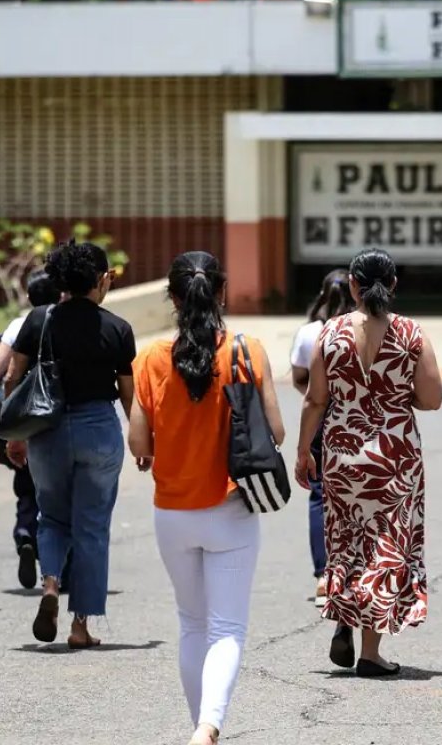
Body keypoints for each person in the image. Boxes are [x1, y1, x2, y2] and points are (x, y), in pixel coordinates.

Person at [129, 251, 284, 745]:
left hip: (173, 512)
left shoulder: (151, 359)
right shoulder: (247, 351)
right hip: (232, 510)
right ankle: (208, 728)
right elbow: (275, 431)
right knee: (226, 630)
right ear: (221, 292)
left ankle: (202, 726)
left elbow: (138, 444)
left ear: (172, 299)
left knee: (192, 624)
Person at [294, 248, 442, 677]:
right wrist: (400, 398)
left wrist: (305, 452)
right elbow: (432, 399)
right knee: (386, 545)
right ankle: (371, 652)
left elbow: (315, 399)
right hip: (394, 457)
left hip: (341, 454)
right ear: (393, 285)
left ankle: (346, 617)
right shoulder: (411, 334)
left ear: (354, 286)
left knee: (347, 541)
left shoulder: (330, 333)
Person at [5, 241, 136, 649]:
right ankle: (80, 625)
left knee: (52, 517)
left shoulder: (40, 320)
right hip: (98, 428)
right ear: (101, 281)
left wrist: (14, 434)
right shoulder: (116, 328)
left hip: (47, 430)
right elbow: (129, 394)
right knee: (92, 527)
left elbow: (13, 377)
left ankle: (49, 587)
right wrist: (142, 441)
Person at [0, 270, 62, 589]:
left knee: (26, 482)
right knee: (58, 491)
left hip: (23, 419)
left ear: (29, 297)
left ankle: (25, 533)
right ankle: (56, 562)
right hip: (57, 415)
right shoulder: (66, 321)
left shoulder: (19, 325)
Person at [290, 268, 355, 607]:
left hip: (321, 418)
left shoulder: (309, 333)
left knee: (319, 496)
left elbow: (300, 379)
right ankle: (355, 573)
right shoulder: (361, 329)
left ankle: (323, 575)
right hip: (356, 420)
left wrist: (320, 395)